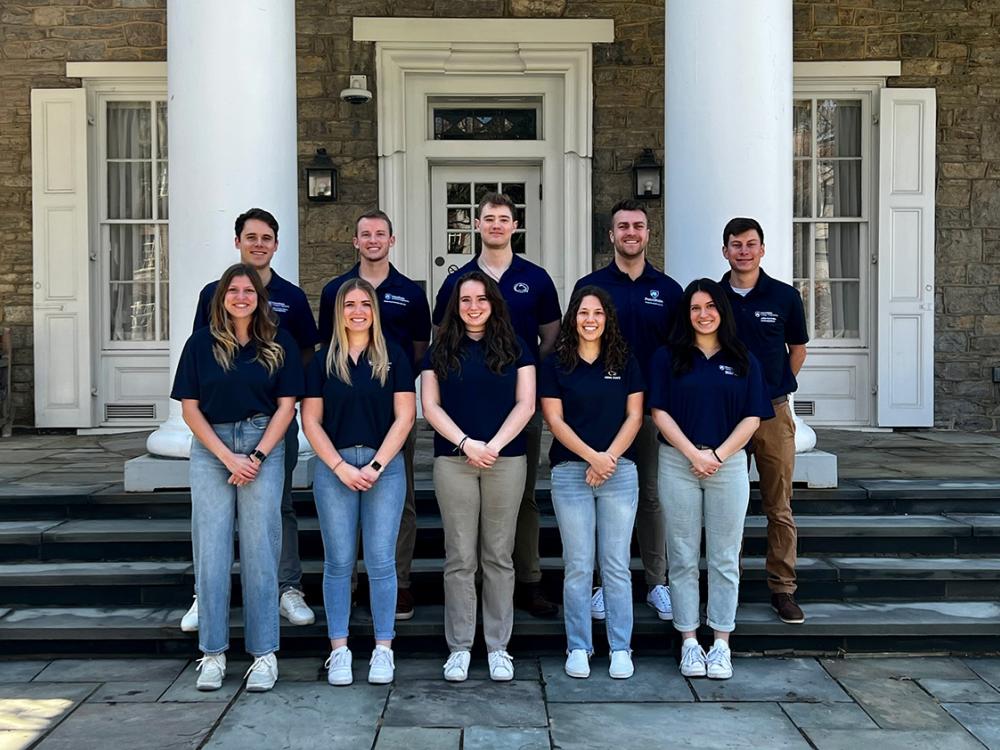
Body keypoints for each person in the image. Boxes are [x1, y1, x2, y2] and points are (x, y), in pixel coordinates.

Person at [181, 208, 320, 633]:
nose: (258, 244)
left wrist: (277, 388)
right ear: (237, 241)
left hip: (272, 418)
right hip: (217, 426)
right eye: (250, 236)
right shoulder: (212, 293)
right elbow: (201, 356)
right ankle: (204, 597)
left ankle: (285, 588)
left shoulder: (291, 298)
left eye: (266, 238)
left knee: (279, 506)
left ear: (276, 245)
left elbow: (307, 354)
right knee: (209, 519)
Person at [171, 263, 305, 692]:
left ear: (259, 298)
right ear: (221, 297)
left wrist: (259, 454)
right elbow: (189, 409)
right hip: (213, 448)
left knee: (261, 550)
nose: (242, 296)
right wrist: (229, 457)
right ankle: (212, 654)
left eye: (249, 290)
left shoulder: (278, 341)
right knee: (210, 550)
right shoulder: (199, 344)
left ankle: (264, 655)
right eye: (234, 290)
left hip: (262, 440)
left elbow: (288, 406)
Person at [432, 192, 561, 619]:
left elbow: (551, 337)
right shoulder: (457, 281)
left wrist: (519, 373)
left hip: (520, 406)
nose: (496, 226)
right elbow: (441, 338)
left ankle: (528, 581)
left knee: (521, 498)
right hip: (464, 415)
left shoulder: (536, 278)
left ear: (514, 225)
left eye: (504, 219)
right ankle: (473, 593)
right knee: (466, 512)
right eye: (488, 219)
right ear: (477, 225)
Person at [649, 278, 773, 680]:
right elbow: (659, 412)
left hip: (729, 465)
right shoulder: (667, 357)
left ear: (722, 310)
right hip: (677, 463)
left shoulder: (743, 359)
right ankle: (688, 641)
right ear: (686, 314)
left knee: (723, 558)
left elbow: (752, 417)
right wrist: (692, 454)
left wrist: (717, 456)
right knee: (682, 557)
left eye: (710, 307)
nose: (703, 315)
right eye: (695, 308)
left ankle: (721, 642)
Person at [422, 271, 535, 682]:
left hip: (506, 459)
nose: (473, 307)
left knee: (498, 556)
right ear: (456, 306)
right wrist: (467, 443)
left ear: (494, 303)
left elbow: (526, 404)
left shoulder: (516, 346)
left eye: (481, 299)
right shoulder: (439, 350)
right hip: (454, 460)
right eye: (465, 300)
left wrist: (494, 445)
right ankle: (460, 646)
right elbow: (430, 407)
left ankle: (499, 646)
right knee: (460, 557)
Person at [318, 210, 431, 621]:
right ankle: (345, 585)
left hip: (394, 412)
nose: (372, 240)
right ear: (355, 241)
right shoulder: (335, 291)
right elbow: (326, 346)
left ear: (391, 240)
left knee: (401, 500)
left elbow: (420, 349)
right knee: (340, 501)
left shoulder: (411, 294)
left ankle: (398, 583)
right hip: (341, 413)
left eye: (380, 234)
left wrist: (390, 382)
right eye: (365, 234)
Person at [302, 278, 416, 686]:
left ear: (374, 310)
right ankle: (340, 650)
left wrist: (376, 466)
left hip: (383, 469)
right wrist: (339, 467)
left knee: (382, 562)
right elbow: (310, 420)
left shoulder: (394, 357)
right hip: (336, 470)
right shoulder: (321, 361)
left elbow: (405, 416)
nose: (357, 311)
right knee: (339, 562)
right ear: (339, 311)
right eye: (349, 304)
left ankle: (383, 649)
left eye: (364, 304)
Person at [574, 200, 683, 623]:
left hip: (653, 412)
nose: (631, 233)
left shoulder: (669, 290)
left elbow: (679, 354)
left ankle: (657, 582)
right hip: (601, 411)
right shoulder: (591, 286)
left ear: (648, 234)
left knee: (652, 497)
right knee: (600, 495)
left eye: (638, 226)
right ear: (612, 235)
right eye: (623, 227)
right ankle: (602, 583)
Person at [540, 286, 644, 679]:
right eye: (583, 313)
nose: (590, 320)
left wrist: (608, 459)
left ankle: (621, 647)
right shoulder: (556, 364)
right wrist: (592, 457)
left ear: (607, 319)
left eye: (597, 313)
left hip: (619, 472)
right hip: (570, 473)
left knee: (616, 565)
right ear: (573, 318)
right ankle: (579, 646)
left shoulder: (625, 360)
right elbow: (555, 421)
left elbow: (634, 416)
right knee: (579, 565)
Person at [720, 217, 809, 624]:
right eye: (736, 245)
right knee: (729, 506)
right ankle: (728, 584)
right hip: (727, 415)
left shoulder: (785, 297)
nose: (743, 251)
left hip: (772, 411)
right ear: (725, 251)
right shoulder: (713, 297)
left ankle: (783, 589)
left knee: (779, 506)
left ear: (762, 249)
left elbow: (798, 349)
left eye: (750, 244)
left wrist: (778, 385)